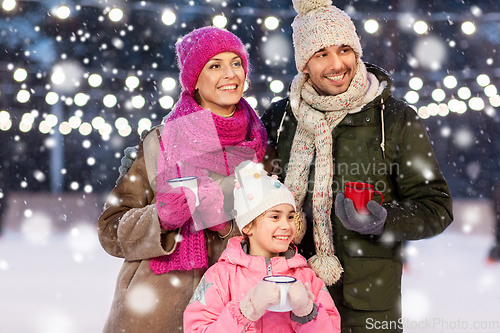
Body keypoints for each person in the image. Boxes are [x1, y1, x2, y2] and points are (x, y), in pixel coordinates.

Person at [260, 0, 453, 332]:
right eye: (322, 54)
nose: (338, 64)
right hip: (289, 295)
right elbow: (252, 193)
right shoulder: (281, 119)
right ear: (304, 64)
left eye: (345, 49)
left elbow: (437, 207)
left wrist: (384, 220)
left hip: (366, 307)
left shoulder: (394, 119)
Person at [98, 27, 267, 333]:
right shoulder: (159, 142)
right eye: (215, 66)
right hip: (152, 314)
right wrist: (160, 219)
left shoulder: (261, 145)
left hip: (232, 312)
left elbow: (283, 224)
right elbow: (111, 231)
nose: (230, 74)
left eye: (236, 62)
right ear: (194, 82)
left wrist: (229, 223)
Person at [183, 163, 341, 332]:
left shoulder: (306, 277)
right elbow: (197, 328)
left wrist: (307, 313)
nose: (286, 225)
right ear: (248, 226)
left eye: (290, 217)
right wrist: (244, 312)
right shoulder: (220, 277)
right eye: (275, 216)